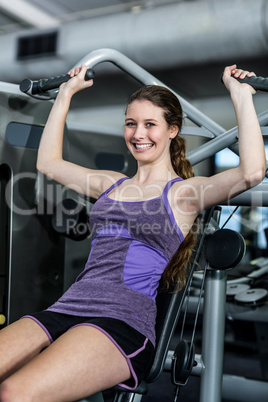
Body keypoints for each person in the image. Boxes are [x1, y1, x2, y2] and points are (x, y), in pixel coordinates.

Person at [0, 63, 265, 402]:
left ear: (172, 130)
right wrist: (64, 95)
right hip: (67, 307)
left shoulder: (183, 194)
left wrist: (241, 97)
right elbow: (48, 163)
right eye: (131, 124)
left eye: (150, 124)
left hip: (121, 322)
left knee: (13, 393)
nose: (138, 134)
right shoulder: (111, 183)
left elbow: (252, 172)